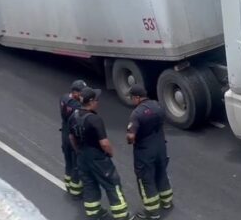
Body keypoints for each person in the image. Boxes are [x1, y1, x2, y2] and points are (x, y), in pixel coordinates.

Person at [69, 87, 134, 220]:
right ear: (91, 102)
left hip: (82, 156)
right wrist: (109, 153)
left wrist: (78, 151)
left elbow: (71, 138)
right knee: (112, 183)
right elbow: (104, 143)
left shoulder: (73, 116)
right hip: (97, 158)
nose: (98, 102)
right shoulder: (94, 120)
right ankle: (122, 215)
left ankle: (93, 213)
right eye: (96, 100)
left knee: (89, 184)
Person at [126, 86, 173, 220]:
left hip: (145, 151)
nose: (131, 101)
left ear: (137, 97)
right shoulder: (157, 106)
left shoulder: (137, 114)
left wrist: (130, 140)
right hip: (160, 147)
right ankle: (167, 201)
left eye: (132, 98)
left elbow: (131, 136)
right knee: (161, 173)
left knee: (146, 179)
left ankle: (152, 212)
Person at [60, 79, 86, 199]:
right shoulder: (77, 106)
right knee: (76, 163)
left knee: (68, 162)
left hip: (64, 133)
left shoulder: (64, 98)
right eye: (81, 92)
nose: (83, 94)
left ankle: (68, 184)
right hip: (72, 136)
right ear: (75, 92)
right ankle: (76, 191)